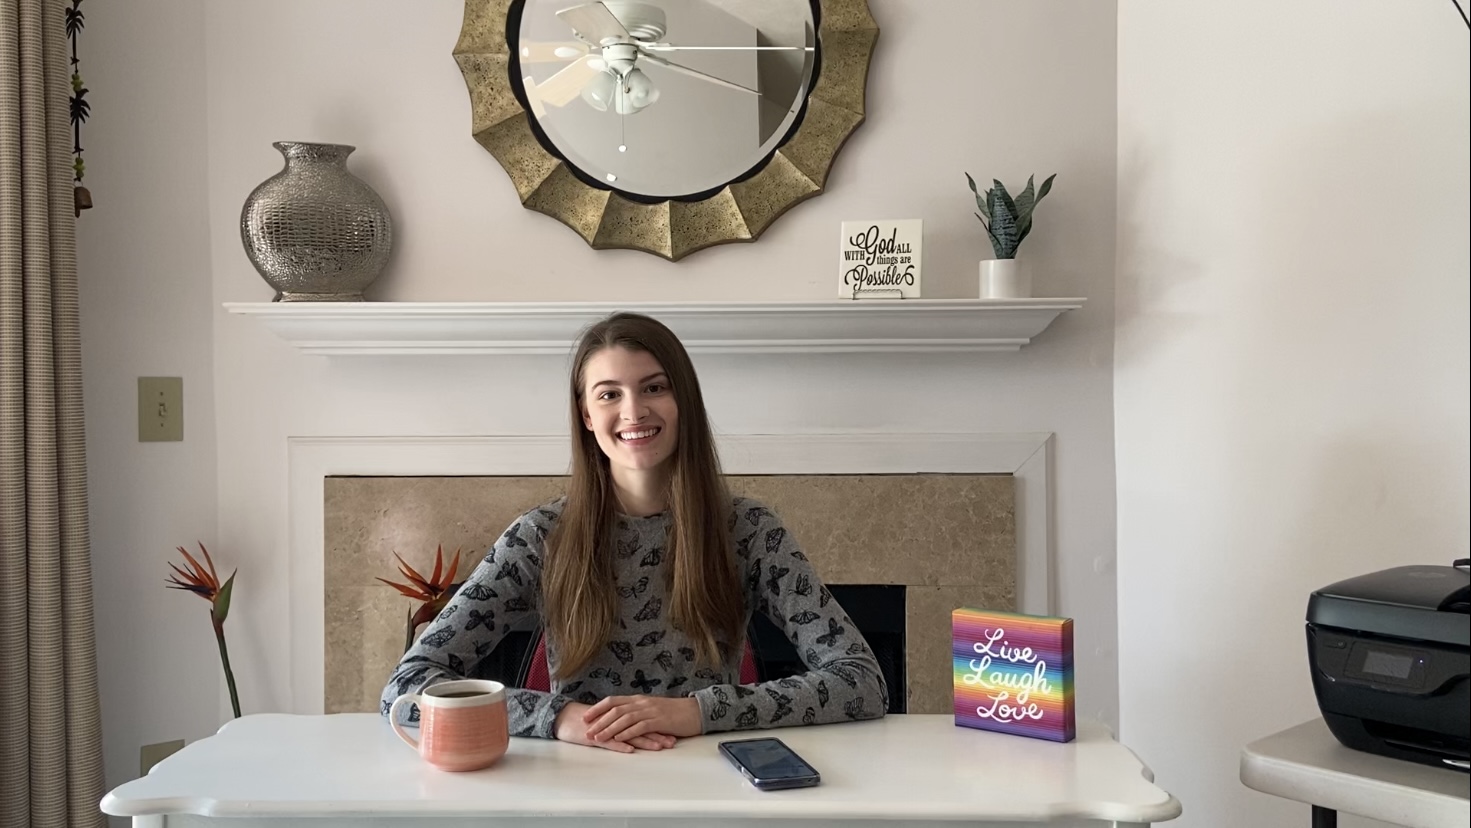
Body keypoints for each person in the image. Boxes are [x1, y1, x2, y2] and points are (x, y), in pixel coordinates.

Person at [381, 311, 886, 753]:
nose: (633, 411)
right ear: (586, 415)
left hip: (709, 783)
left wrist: (694, 712)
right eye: (609, 394)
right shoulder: (539, 537)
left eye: (654, 387)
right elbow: (406, 687)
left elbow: (861, 681)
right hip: (575, 784)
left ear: (682, 400)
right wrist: (558, 718)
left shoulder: (751, 531)